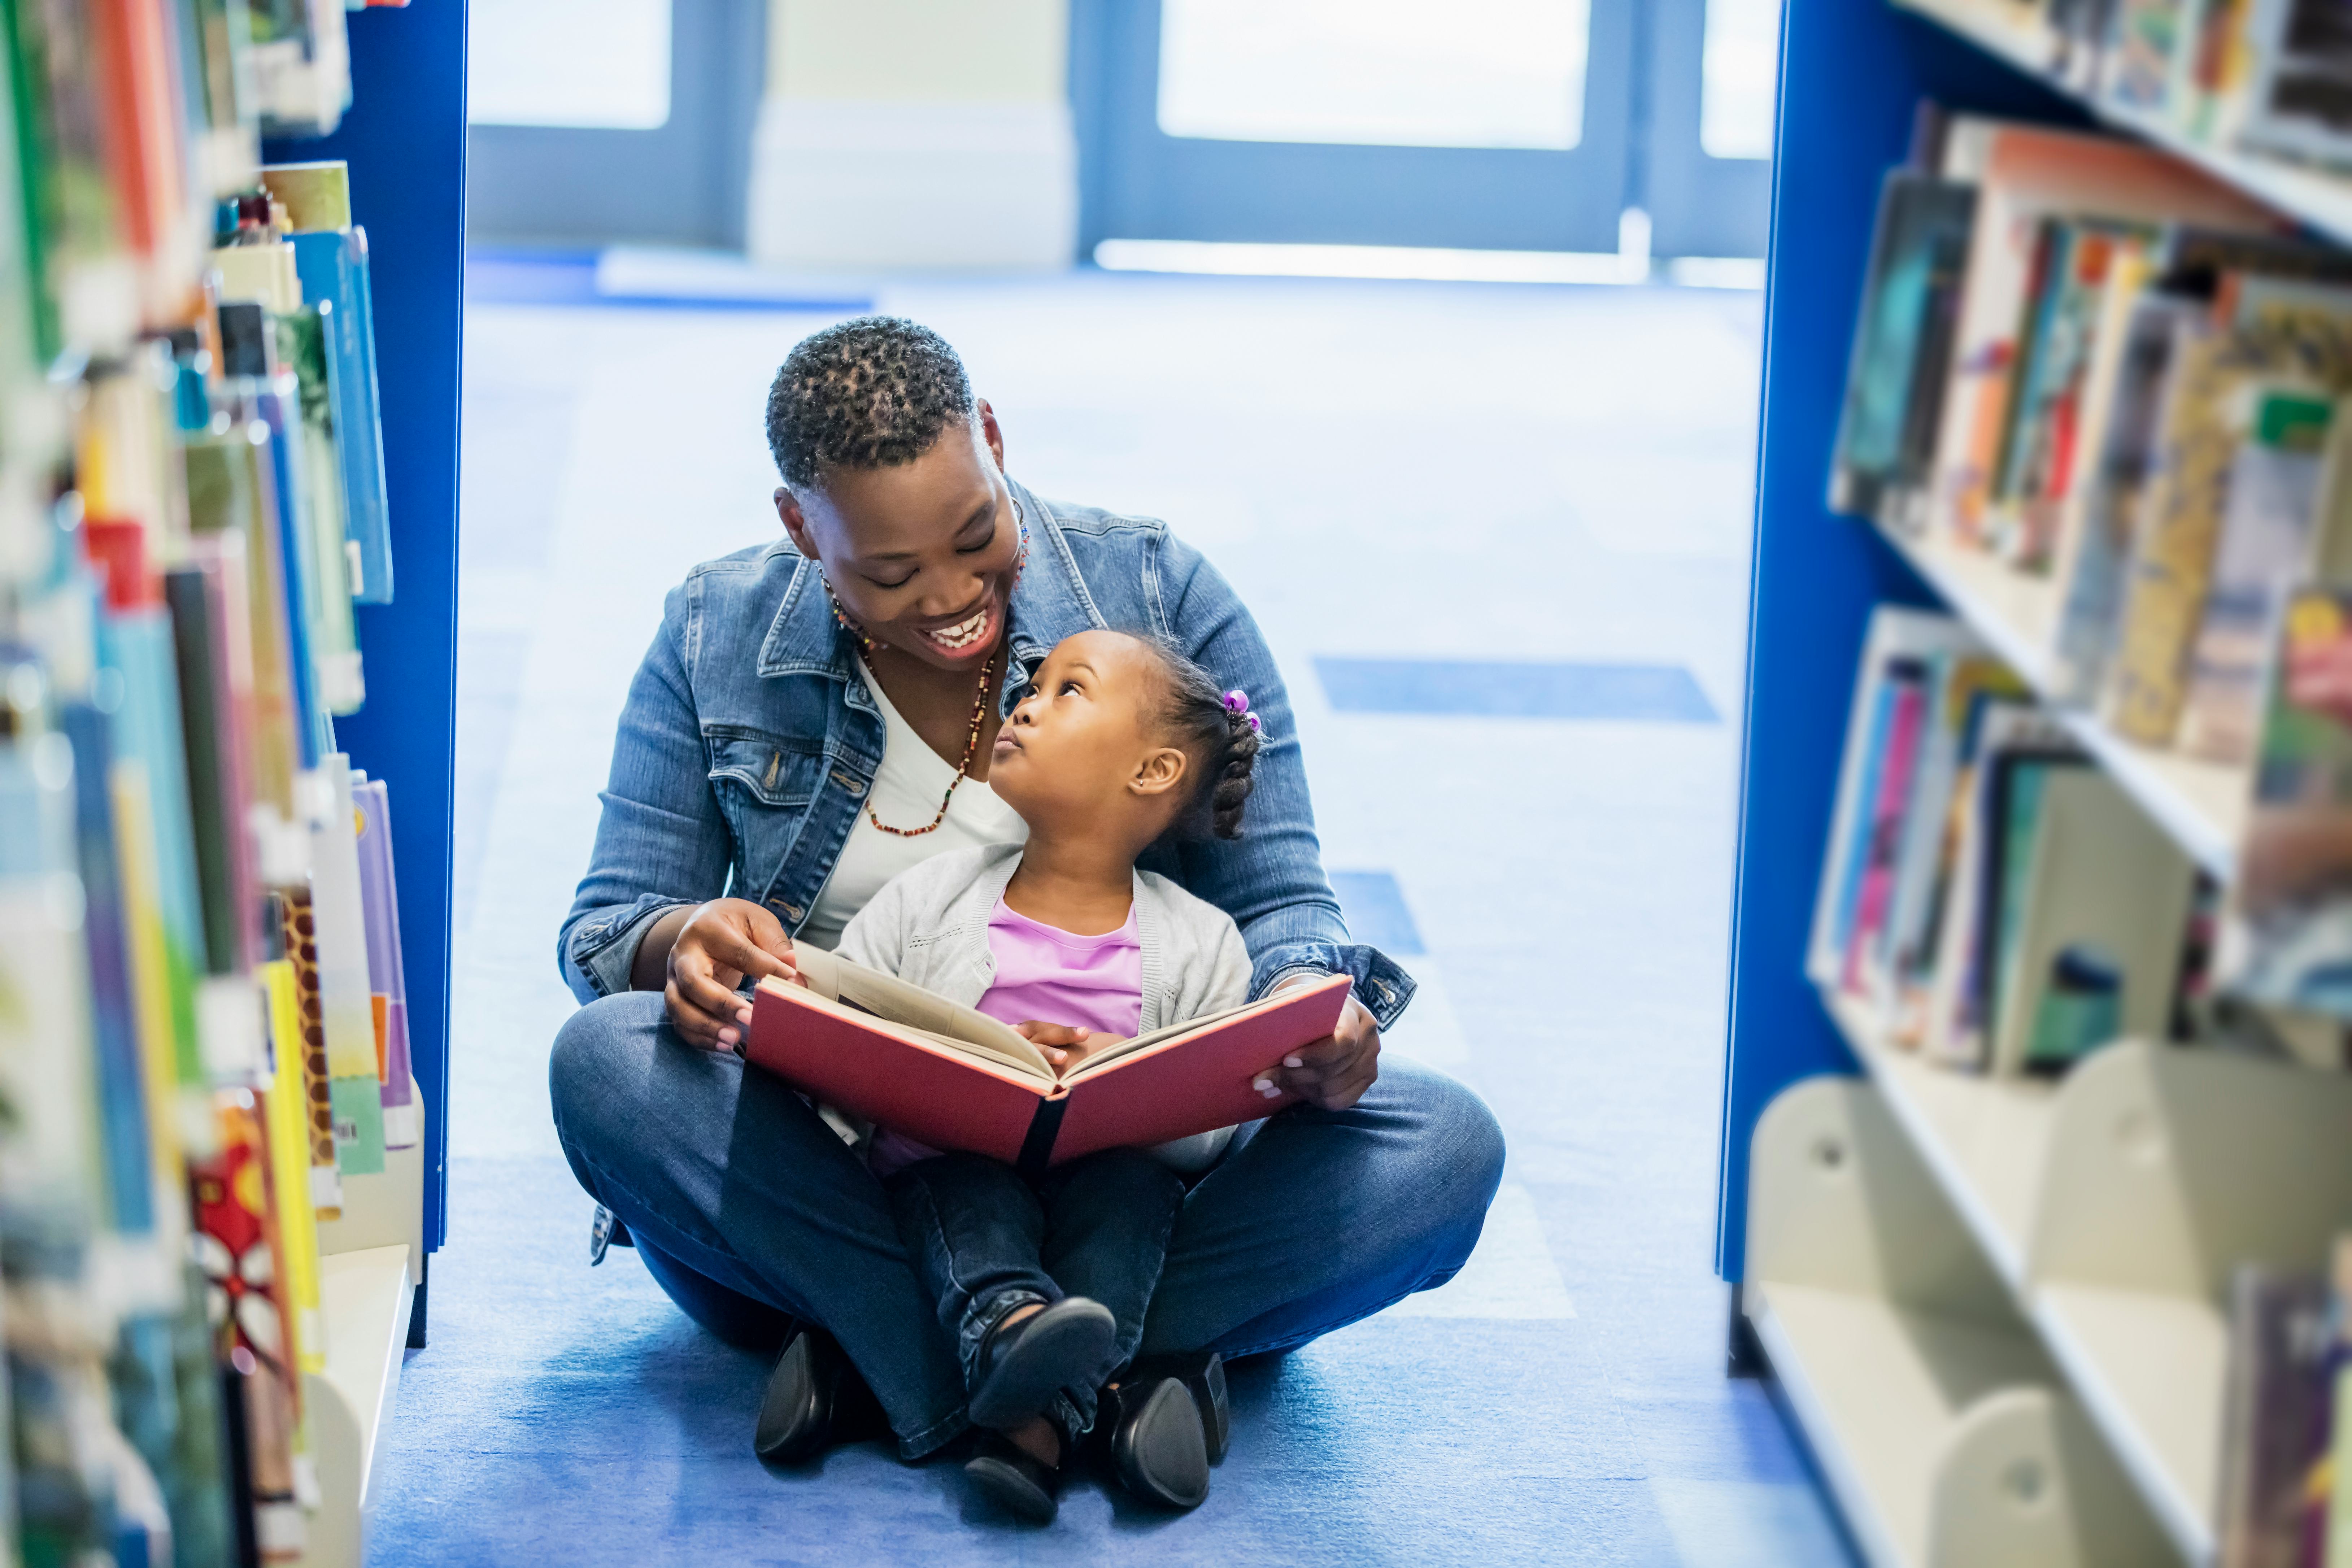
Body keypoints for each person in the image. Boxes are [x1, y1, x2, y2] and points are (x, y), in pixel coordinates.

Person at [546, 315, 1506, 1488]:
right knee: (607, 1062)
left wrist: (1312, 1015)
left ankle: (894, 1359)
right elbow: (609, 922)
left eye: (974, 534)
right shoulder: (712, 634)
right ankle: (1115, 1373)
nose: (954, 600)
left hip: (1141, 1155)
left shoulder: (1157, 592)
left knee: (1444, 1147)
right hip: (852, 1164)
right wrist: (674, 941)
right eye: (890, 574)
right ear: (800, 527)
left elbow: (1278, 902)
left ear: (994, 440)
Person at [816, 628, 1268, 1522]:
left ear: (1153, 772)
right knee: (968, 1195)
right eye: (1033, 682)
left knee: (1132, 1204)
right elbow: (844, 1029)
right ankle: (1079, 1387)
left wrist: (1130, 1074)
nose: (1023, 700)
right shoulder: (928, 897)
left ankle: (1000, 1411)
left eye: (1069, 690)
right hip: (947, 1173)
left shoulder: (1203, 940)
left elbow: (1209, 1129)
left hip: (1108, 1180)